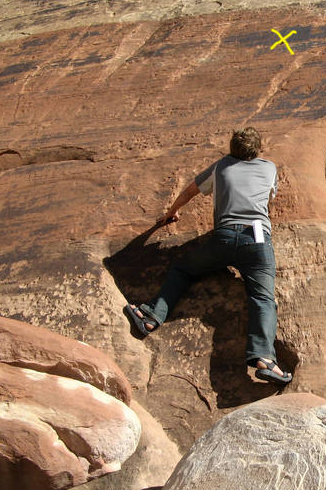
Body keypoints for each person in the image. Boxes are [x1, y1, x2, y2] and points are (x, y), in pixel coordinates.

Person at [124, 127, 292, 385]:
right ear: (257, 149)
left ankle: (151, 318)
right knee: (263, 299)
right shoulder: (269, 168)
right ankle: (265, 360)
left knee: (183, 270)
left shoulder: (221, 166)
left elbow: (190, 191)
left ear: (232, 149)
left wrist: (172, 213)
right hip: (258, 236)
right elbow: (269, 197)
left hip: (224, 236)